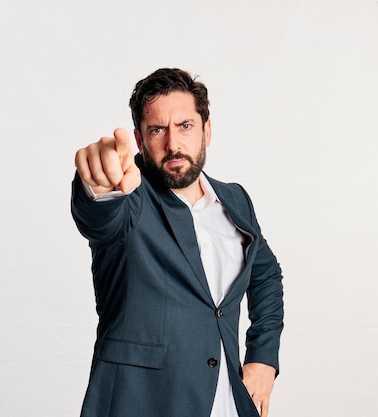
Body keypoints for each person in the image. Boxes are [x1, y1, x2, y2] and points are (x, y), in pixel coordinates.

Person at [71, 68, 284, 417]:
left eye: (185, 126)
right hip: (142, 403)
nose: (173, 143)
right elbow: (101, 218)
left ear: (207, 131)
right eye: (157, 130)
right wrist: (98, 183)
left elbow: (266, 277)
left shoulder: (235, 200)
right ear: (140, 141)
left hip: (227, 403)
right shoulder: (131, 200)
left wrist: (262, 358)